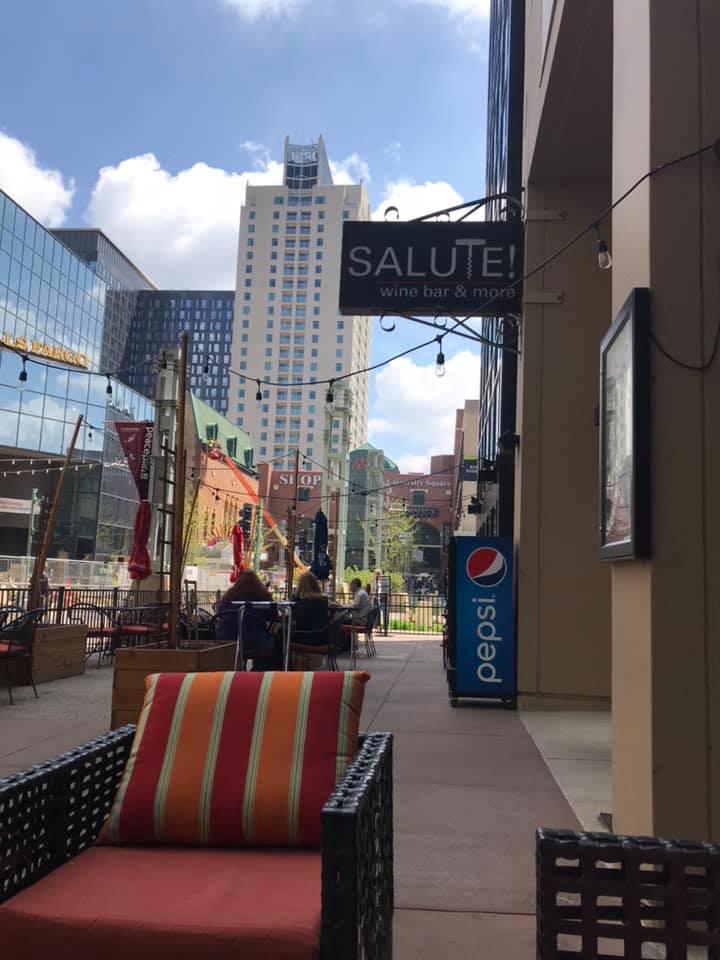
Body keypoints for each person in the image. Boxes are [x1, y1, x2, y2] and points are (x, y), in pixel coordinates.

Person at [215, 570, 280, 670]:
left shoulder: (229, 596)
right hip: (254, 639)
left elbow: (219, 613)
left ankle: (234, 669)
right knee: (273, 643)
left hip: (226, 638)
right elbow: (273, 616)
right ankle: (259, 671)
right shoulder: (263, 595)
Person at [291, 571, 330, 671]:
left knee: (280, 636)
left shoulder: (298, 602)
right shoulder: (323, 601)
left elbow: (299, 622)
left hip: (304, 637)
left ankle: (284, 669)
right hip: (321, 638)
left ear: (300, 585)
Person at [374, 568, 390, 636]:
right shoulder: (376, 581)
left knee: (385, 615)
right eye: (376, 574)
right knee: (378, 614)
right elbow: (375, 589)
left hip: (384, 599)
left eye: (378, 574)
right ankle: (379, 628)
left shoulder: (385, 580)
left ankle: (385, 629)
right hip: (378, 599)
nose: (377, 575)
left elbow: (387, 590)